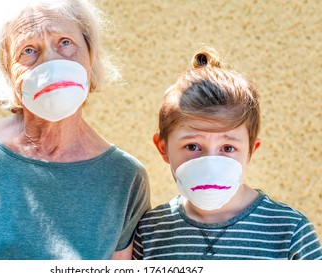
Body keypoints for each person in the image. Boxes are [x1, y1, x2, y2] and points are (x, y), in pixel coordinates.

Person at [0, 0, 150, 260]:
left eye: (65, 42)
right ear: (8, 71)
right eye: (29, 50)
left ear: (90, 55)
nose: (51, 63)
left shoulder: (125, 178)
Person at [133, 47, 322, 260]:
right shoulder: (150, 233)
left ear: (250, 151)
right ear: (163, 148)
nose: (210, 164)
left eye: (228, 148)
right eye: (193, 146)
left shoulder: (289, 232)